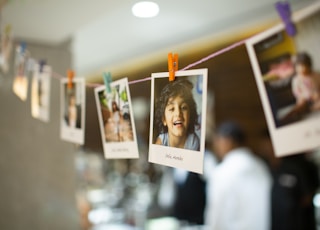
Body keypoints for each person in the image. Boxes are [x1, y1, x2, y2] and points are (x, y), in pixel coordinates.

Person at [205, 121, 271, 230]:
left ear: (227, 141)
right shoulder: (261, 166)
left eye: (217, 141)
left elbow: (216, 216)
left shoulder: (222, 172)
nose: (215, 146)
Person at [154, 79, 200, 150]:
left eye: (183, 107)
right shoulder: (161, 142)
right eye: (172, 109)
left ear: (190, 115)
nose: (178, 113)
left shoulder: (193, 142)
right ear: (164, 119)